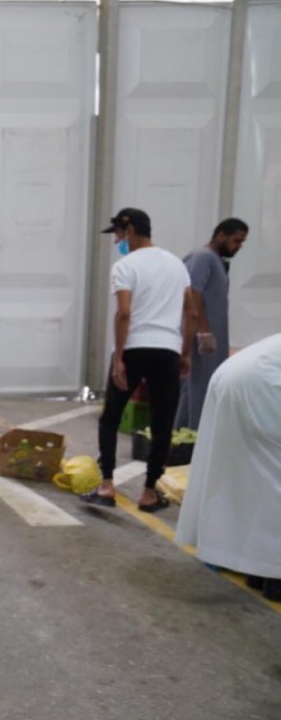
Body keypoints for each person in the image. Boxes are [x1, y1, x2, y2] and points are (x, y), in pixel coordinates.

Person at [81, 207, 198, 513]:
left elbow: (124, 313)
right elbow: (191, 312)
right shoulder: (176, 265)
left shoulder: (125, 266)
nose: (117, 241)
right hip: (168, 351)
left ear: (130, 230)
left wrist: (119, 357)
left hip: (134, 348)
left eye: (118, 235)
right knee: (162, 422)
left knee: (111, 417)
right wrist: (185, 353)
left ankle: (106, 486)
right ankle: (148, 492)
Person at [175, 332, 281, 601]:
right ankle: (274, 578)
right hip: (263, 384)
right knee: (274, 480)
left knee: (259, 479)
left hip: (234, 375)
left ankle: (259, 571)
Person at [174, 218, 250, 430]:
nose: (238, 247)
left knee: (197, 389)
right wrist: (203, 331)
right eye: (236, 241)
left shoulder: (215, 260)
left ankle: (185, 434)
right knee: (197, 387)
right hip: (201, 341)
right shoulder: (203, 257)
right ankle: (192, 433)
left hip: (210, 341)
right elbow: (193, 293)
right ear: (221, 235)